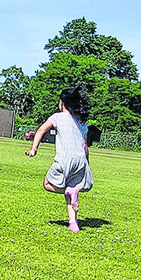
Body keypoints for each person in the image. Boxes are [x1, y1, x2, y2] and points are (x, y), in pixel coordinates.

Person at [25, 89, 94, 232]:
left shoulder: (57, 117)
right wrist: (86, 163)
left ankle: (68, 191)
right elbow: (85, 145)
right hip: (80, 159)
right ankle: (73, 224)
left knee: (47, 184)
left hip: (64, 159)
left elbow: (40, 131)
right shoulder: (80, 121)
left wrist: (34, 148)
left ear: (62, 103)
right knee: (73, 188)